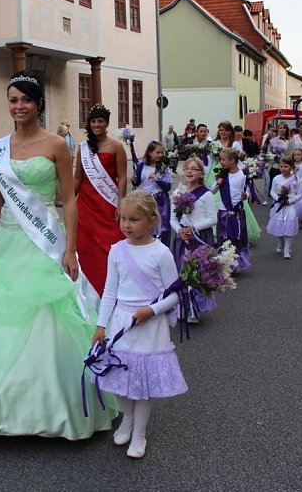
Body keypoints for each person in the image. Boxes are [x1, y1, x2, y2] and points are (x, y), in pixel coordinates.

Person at [0, 71, 116, 439]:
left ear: (38, 104)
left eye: (25, 100)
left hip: (44, 242)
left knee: (47, 316)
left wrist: (71, 249)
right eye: (13, 100)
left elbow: (67, 201)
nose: (19, 106)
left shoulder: (57, 145)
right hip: (8, 241)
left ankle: (48, 406)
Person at [92, 190, 188, 459]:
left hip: (148, 325)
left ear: (152, 220)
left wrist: (152, 310)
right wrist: (101, 326)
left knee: (143, 385)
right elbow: (110, 291)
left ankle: (139, 433)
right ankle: (127, 419)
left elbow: (174, 293)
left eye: (134, 219)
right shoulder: (116, 251)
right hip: (122, 323)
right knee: (120, 378)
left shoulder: (161, 253)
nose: (126, 225)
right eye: (123, 219)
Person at [74, 104, 127, 296]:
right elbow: (78, 177)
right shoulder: (83, 148)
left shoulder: (116, 147)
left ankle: (113, 288)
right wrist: (70, 200)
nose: (97, 124)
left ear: (107, 124)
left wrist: (121, 203)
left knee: (111, 244)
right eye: (93, 121)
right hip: (86, 205)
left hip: (107, 204)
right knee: (85, 246)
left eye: (100, 121)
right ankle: (87, 291)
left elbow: (122, 177)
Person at [170, 158, 218, 321]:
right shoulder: (178, 192)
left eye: (194, 169)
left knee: (196, 273)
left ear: (201, 173)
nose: (189, 171)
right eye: (186, 169)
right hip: (182, 237)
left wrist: (194, 228)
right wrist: (179, 230)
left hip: (199, 237)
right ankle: (183, 306)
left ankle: (194, 309)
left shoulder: (206, 194)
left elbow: (213, 219)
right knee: (182, 272)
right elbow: (172, 218)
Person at [210, 121, 260, 242]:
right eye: (221, 130)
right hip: (217, 172)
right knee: (219, 201)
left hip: (233, 172)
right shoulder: (214, 143)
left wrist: (243, 171)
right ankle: (220, 235)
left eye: (226, 130)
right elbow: (210, 160)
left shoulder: (235, 144)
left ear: (230, 132)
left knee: (235, 199)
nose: (223, 132)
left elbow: (239, 161)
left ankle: (237, 234)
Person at [214, 148, 250, 272]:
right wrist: (217, 183)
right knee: (223, 236)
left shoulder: (242, 175)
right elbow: (212, 191)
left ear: (233, 161)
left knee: (235, 237)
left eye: (223, 159)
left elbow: (246, 191)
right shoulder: (222, 175)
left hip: (236, 211)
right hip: (223, 210)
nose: (221, 162)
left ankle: (235, 263)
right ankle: (223, 263)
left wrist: (246, 196)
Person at [133, 141, 173, 246]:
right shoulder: (142, 166)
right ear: (150, 153)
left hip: (161, 200)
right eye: (157, 152)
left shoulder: (163, 167)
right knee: (147, 225)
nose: (160, 155)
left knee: (163, 226)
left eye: (162, 152)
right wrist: (133, 180)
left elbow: (168, 187)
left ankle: (163, 247)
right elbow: (137, 182)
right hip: (146, 200)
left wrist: (157, 179)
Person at [267, 157, 302, 259]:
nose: (283, 168)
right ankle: (281, 241)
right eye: (281, 166)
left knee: (289, 227)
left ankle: (287, 250)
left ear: (292, 167)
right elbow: (272, 191)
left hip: (290, 206)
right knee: (279, 226)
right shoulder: (276, 178)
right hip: (279, 205)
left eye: (286, 166)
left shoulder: (296, 180)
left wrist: (291, 200)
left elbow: (300, 193)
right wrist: (278, 199)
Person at [260, 126, 278, 200]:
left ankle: (275, 197)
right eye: (271, 131)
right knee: (267, 181)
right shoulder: (266, 141)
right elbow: (262, 152)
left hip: (275, 164)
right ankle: (265, 198)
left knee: (275, 181)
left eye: (274, 132)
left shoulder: (277, 142)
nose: (272, 133)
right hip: (267, 164)